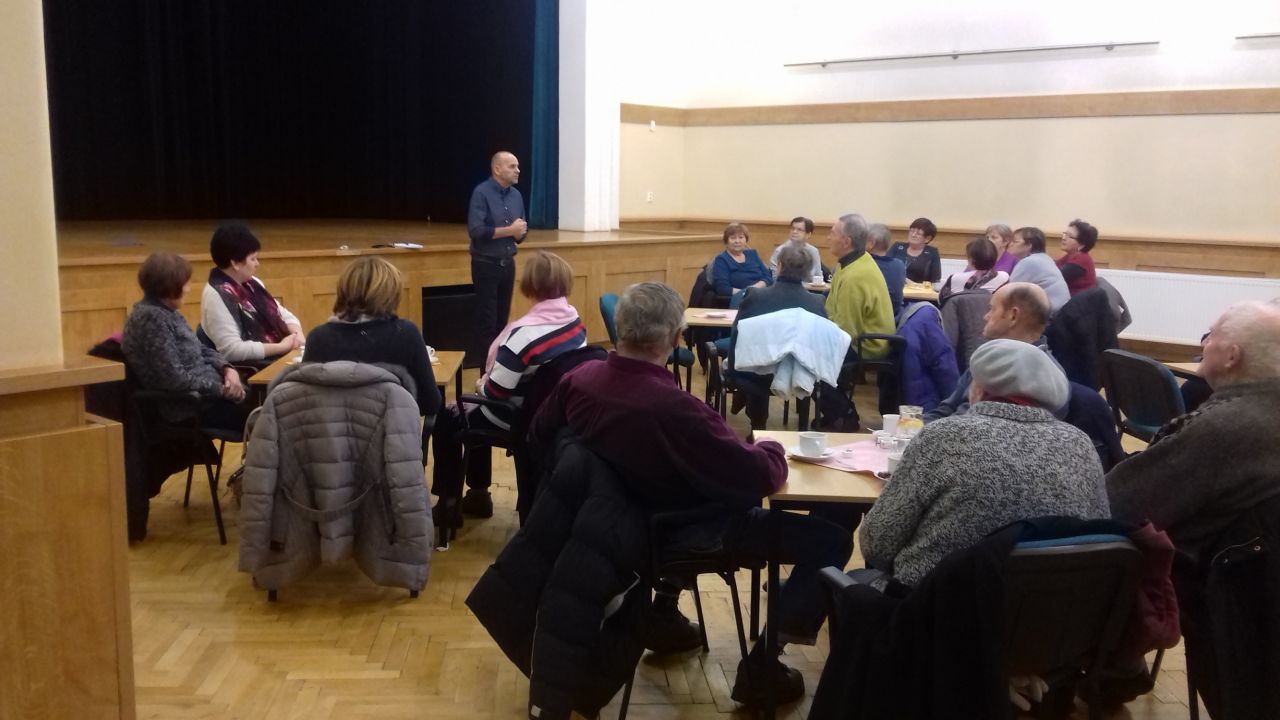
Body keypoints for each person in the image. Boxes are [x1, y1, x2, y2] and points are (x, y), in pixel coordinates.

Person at [529, 282, 853, 706]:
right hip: (683, 534)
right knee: (832, 540)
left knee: (680, 486)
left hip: (610, 529)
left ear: (620, 328)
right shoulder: (674, 408)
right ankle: (764, 664)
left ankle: (662, 611)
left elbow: (539, 438)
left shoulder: (579, 380)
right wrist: (772, 446)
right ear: (674, 336)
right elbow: (758, 476)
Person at [859, 338, 1110, 588]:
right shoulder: (1081, 445)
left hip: (936, 605)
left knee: (860, 583)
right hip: (1051, 605)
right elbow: (1099, 538)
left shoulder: (942, 437)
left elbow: (877, 545)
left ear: (978, 390)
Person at [1107, 300, 1280, 561]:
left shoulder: (1224, 428)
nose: (1203, 343)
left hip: (1193, 574)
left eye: (1211, 336)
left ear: (1232, 356)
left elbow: (1116, 503)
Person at [434, 251, 587, 520]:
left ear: (530, 286)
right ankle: (477, 495)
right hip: (557, 414)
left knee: (449, 417)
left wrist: (481, 385)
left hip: (521, 416)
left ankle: (451, 502)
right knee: (474, 409)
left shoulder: (524, 335)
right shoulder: (575, 322)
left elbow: (496, 392)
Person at [122, 252, 248, 432]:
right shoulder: (150, 319)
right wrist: (222, 390)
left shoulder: (168, 312)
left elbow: (201, 349)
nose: (188, 289)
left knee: (273, 405)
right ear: (169, 286)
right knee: (275, 416)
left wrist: (227, 369)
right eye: (185, 283)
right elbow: (173, 379)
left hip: (212, 398)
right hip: (192, 407)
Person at [303, 256, 440, 419]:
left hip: (330, 433)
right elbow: (430, 403)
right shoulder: (405, 334)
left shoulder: (318, 338)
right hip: (392, 432)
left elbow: (306, 401)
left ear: (344, 290)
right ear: (391, 294)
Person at [727, 244, 828, 428]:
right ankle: (801, 427)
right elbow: (820, 344)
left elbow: (737, 335)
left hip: (755, 373)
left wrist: (734, 368)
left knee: (756, 360)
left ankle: (757, 424)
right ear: (807, 271)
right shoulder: (817, 302)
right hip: (799, 375)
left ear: (779, 266)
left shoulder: (755, 296)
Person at [925, 282, 1057, 422]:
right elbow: (945, 410)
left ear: (1013, 316)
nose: (986, 316)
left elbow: (980, 426)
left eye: (992, 309)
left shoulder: (1041, 377)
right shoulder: (990, 357)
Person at [818, 213, 895, 431]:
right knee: (808, 351)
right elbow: (832, 312)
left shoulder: (855, 275)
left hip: (868, 344)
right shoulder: (850, 263)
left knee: (810, 361)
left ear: (847, 241)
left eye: (833, 233)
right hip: (856, 337)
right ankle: (836, 413)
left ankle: (845, 415)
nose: (828, 237)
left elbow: (846, 331)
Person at [199, 224, 304, 365]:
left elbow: (283, 315)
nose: (257, 264)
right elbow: (232, 350)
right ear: (235, 263)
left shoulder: (253, 283)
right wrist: (281, 347)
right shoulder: (216, 295)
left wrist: (297, 335)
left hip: (279, 357)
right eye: (253, 259)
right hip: (252, 368)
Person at [467, 150, 528, 352]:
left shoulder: (516, 196)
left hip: (508, 264)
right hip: (486, 265)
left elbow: (521, 231)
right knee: (487, 323)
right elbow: (476, 231)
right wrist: (510, 231)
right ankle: (485, 368)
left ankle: (497, 368)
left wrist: (519, 233)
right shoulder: (481, 193)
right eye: (512, 166)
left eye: (518, 166)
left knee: (502, 322)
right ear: (497, 169)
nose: (518, 170)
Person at [1008, 226, 1071, 313]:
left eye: (1015, 241)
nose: (1010, 244)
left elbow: (1009, 292)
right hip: (1061, 311)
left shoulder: (1029, 262)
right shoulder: (1045, 258)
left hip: (1049, 314)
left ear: (1029, 245)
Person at [711, 222, 773, 303]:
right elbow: (723, 288)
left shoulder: (752, 254)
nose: (737, 241)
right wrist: (746, 293)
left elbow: (768, 277)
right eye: (733, 238)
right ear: (726, 241)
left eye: (741, 237)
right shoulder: (722, 260)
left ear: (746, 240)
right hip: (739, 300)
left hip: (760, 295)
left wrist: (754, 288)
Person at [938, 235, 1009, 302]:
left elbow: (941, 301)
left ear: (971, 260)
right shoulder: (1003, 277)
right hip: (990, 311)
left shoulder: (955, 278)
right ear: (995, 257)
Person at [866, 222, 906, 316]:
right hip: (894, 318)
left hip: (868, 319)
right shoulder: (899, 265)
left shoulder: (862, 264)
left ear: (871, 243)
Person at [888, 216, 942, 284]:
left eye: (918, 233)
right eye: (912, 231)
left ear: (927, 238)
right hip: (893, 286)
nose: (913, 235)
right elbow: (885, 267)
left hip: (919, 289)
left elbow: (936, 279)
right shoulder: (897, 246)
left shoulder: (932, 253)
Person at [767, 216, 823, 280]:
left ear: (808, 234)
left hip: (810, 286)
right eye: (793, 228)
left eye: (799, 229)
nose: (794, 232)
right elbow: (774, 277)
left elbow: (818, 275)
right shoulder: (780, 250)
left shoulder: (813, 251)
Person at [1057, 218, 1099, 296]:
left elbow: (1055, 280)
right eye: (1065, 234)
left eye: (1070, 236)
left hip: (1080, 302)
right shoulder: (1069, 257)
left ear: (1082, 244)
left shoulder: (1081, 260)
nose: (1064, 238)